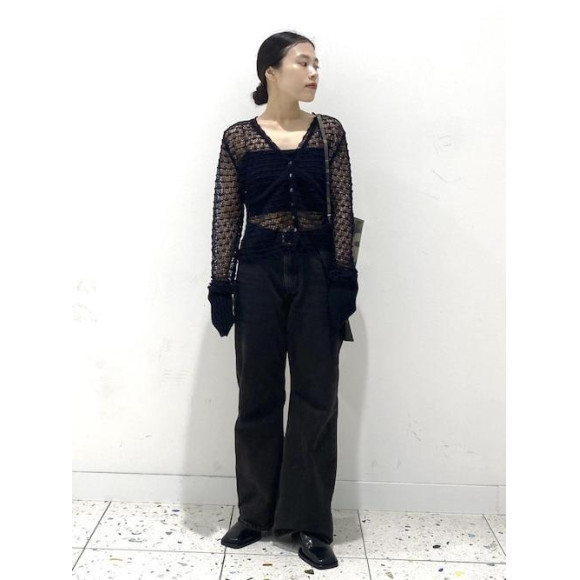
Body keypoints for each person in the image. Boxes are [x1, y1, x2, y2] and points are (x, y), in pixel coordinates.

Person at [207, 31, 359, 571]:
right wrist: (221, 284)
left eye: (317, 63)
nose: (314, 72)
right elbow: (228, 213)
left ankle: (310, 523)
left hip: (317, 273)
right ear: (271, 71)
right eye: (304, 62)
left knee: (317, 398)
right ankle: (256, 513)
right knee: (258, 395)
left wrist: (344, 277)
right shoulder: (239, 138)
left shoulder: (329, 133)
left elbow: (342, 208)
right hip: (258, 274)